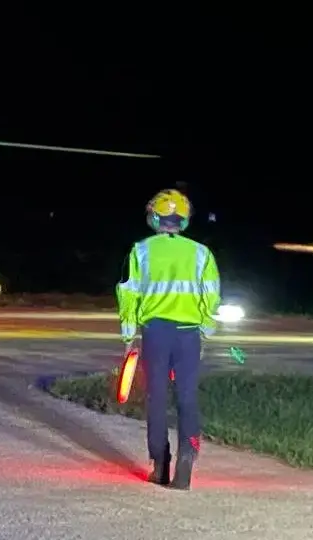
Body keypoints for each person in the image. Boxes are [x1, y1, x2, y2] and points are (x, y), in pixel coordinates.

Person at [116, 188, 220, 490]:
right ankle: (188, 458)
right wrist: (206, 328)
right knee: (187, 397)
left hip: (155, 332)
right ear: (184, 219)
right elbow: (211, 295)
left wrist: (128, 334)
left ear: (155, 217)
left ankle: (160, 464)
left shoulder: (141, 250)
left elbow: (128, 292)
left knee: (156, 398)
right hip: (189, 334)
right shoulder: (202, 253)